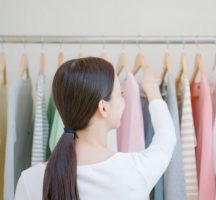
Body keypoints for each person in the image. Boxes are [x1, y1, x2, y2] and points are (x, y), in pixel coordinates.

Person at [14, 57, 176, 200]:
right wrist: (154, 92)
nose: (123, 101)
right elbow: (166, 137)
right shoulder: (135, 171)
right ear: (103, 108)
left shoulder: (30, 180)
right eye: (120, 93)